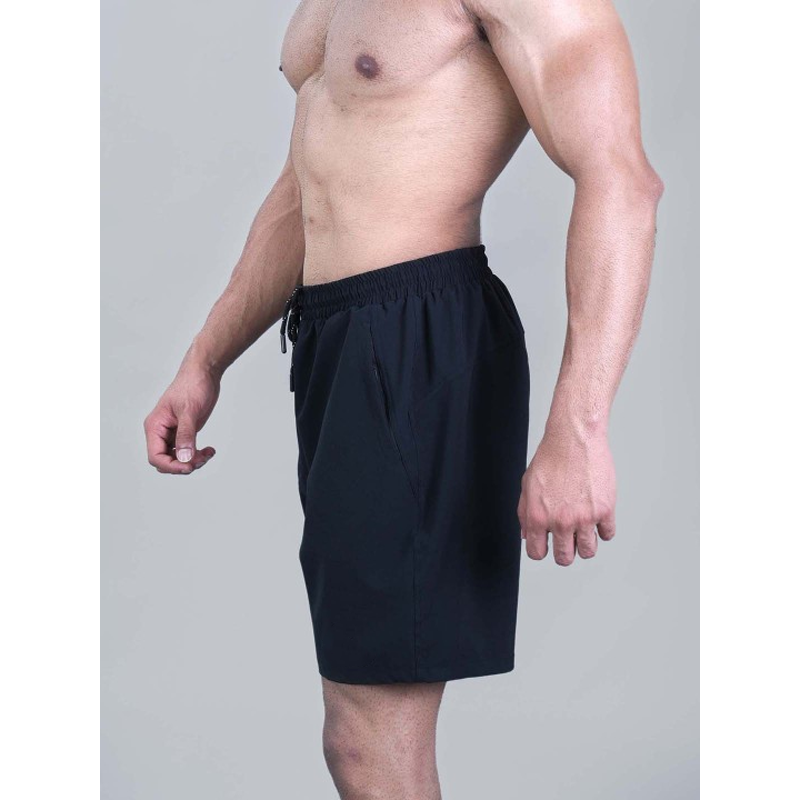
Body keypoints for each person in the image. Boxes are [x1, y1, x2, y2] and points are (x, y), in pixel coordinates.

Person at [144, 1, 662, 797]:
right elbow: (305, 183)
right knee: (358, 736)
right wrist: (205, 358)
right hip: (334, 339)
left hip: (418, 339)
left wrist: (581, 428)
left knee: (367, 740)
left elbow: (621, 179)